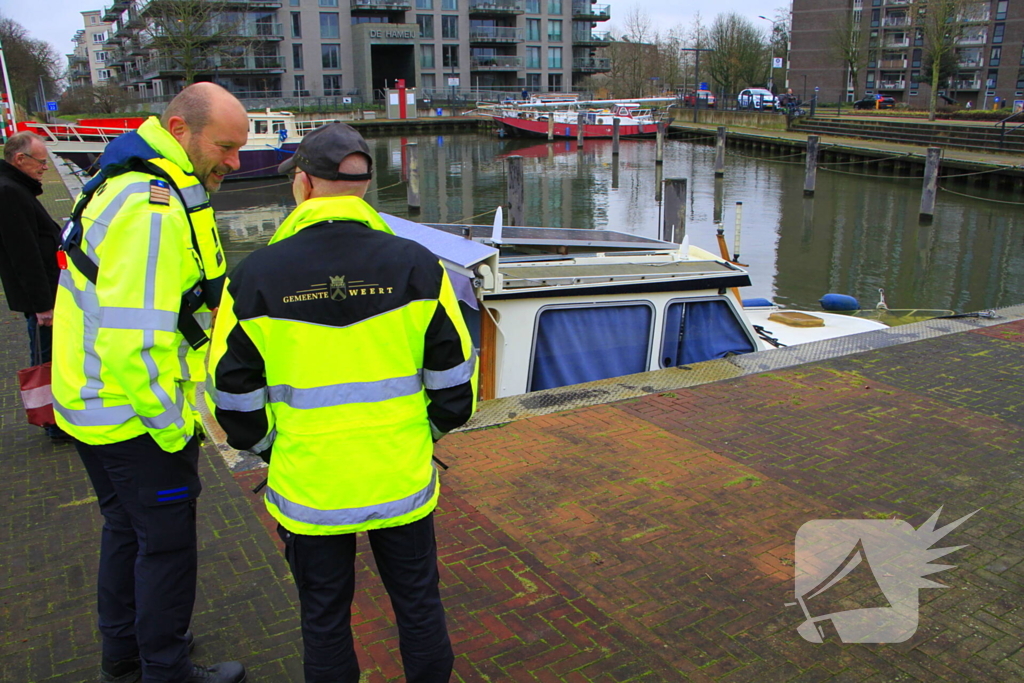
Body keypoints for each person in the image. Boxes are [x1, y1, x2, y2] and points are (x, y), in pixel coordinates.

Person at [208, 122, 478, 683]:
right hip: (398, 475)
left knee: (324, 619)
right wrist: (416, 433)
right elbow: (455, 389)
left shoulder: (254, 275)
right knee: (419, 608)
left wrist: (270, 446)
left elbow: (232, 397)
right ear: (361, 188)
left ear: (303, 184)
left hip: (309, 484)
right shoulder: (418, 265)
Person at [51, 83, 249, 683]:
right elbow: (133, 341)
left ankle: (125, 656)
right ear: (178, 128)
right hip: (133, 416)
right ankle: (165, 669)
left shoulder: (130, 183)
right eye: (225, 147)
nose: (235, 163)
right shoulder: (153, 209)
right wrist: (172, 427)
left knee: (125, 533)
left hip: (92, 406)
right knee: (164, 549)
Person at [0, 131, 70, 440]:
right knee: (45, 358)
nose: (45, 167)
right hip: (43, 300)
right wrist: (43, 305)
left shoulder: (17, 189)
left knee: (49, 355)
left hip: (47, 294)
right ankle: (52, 422)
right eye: (41, 162)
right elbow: (23, 254)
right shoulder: (9, 192)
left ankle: (56, 418)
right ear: (20, 159)